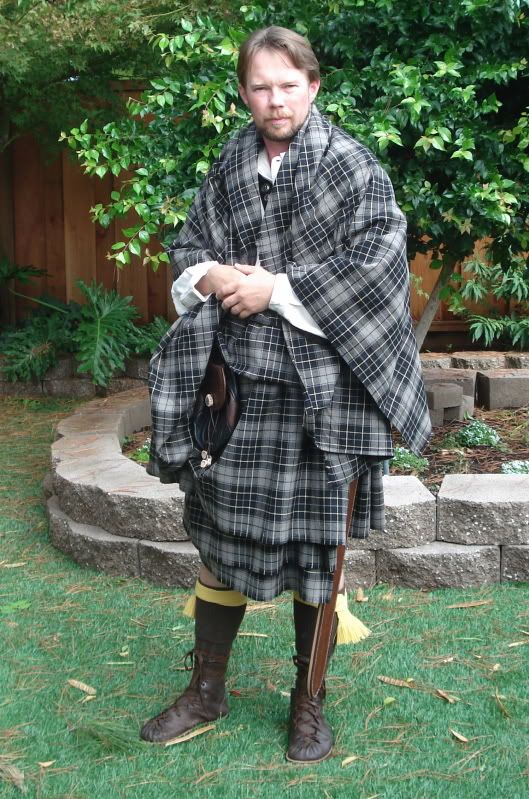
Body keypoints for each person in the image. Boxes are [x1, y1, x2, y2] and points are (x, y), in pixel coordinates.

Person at [142, 26, 431, 763]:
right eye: (259, 86)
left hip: (324, 399)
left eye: (287, 83)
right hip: (238, 394)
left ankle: (309, 702)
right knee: (217, 543)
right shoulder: (232, 162)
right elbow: (187, 246)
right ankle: (207, 688)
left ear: (313, 84)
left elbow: (376, 271)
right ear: (244, 93)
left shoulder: (353, 168)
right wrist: (213, 278)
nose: (274, 99)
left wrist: (273, 287)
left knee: (315, 556)